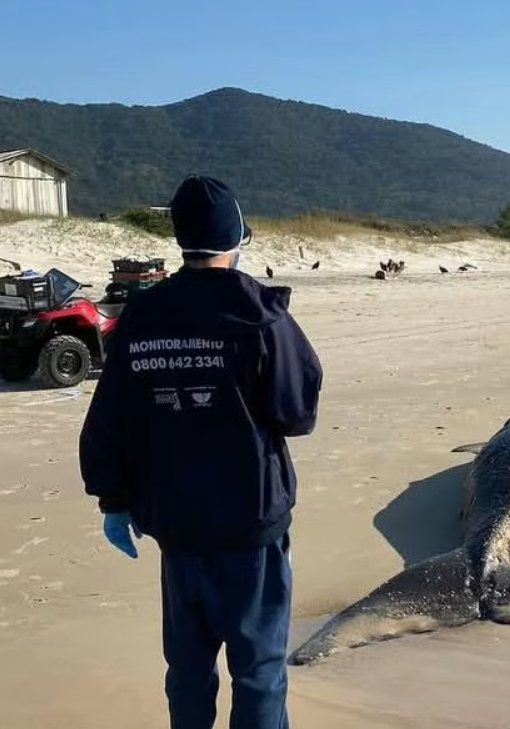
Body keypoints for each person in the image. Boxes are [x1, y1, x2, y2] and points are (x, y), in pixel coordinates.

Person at [79, 173, 323, 729]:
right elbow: (296, 413)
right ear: (237, 238)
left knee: (187, 667)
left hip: (176, 522)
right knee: (258, 667)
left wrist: (112, 499)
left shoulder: (141, 316)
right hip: (248, 522)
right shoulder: (261, 315)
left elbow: (109, 416)